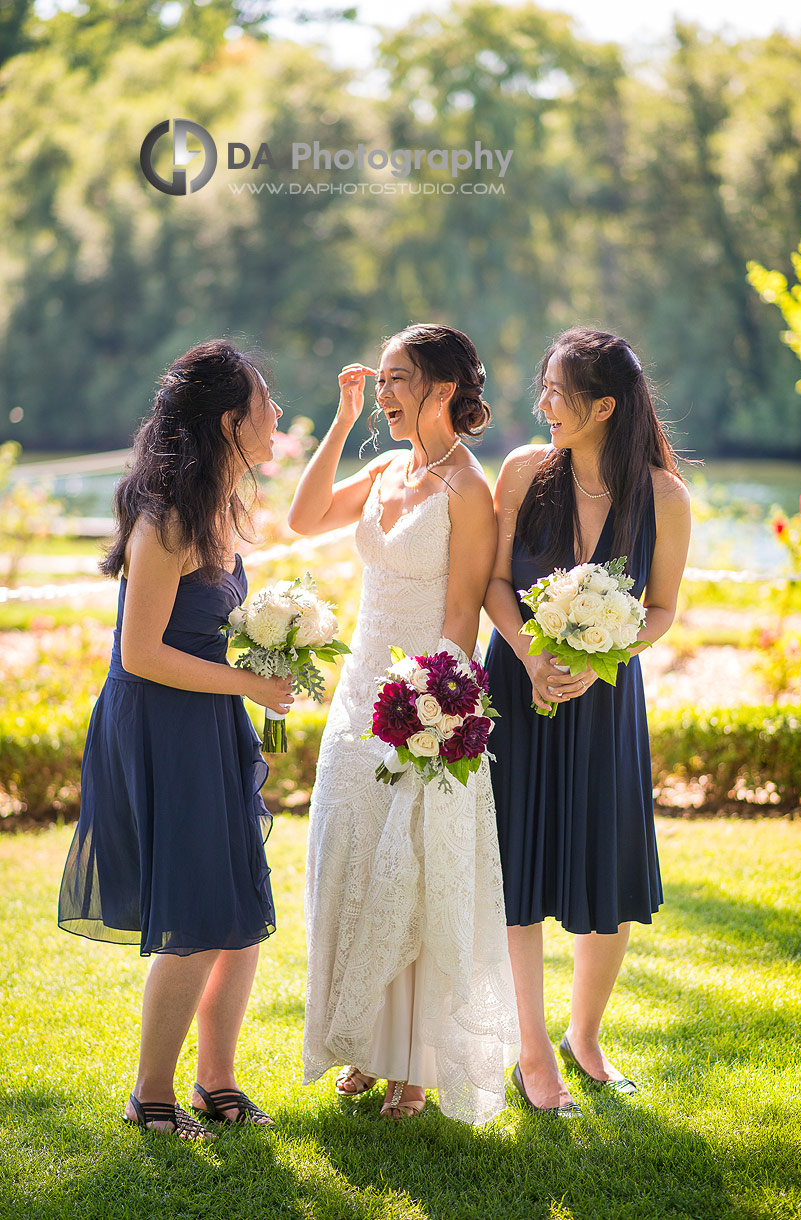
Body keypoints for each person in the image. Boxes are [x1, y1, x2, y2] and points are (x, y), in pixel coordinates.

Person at [58, 340, 293, 1139]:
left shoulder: (223, 511)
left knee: (238, 908)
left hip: (207, 721)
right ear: (232, 422)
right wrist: (251, 685)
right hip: (162, 725)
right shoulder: (164, 519)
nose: (277, 419)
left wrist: (271, 660)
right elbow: (140, 653)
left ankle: (216, 1085)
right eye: (267, 406)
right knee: (195, 915)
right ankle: (149, 1093)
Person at [288, 324, 519, 1125]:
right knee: (353, 863)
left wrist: (434, 719)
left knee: (414, 874)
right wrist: (344, 420)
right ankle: (366, 1044)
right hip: (357, 700)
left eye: (394, 379)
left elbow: (462, 614)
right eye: (380, 379)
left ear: (443, 390)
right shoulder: (387, 466)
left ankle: (414, 1066)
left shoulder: (469, 491)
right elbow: (303, 516)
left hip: (424, 706)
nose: (382, 391)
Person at [483, 327, 691, 1115]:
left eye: (557, 394)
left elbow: (664, 609)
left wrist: (603, 644)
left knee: (606, 865)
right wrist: (534, 658)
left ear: (603, 407)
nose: (541, 406)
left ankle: (585, 1037)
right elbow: (495, 585)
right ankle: (533, 1053)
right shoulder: (520, 473)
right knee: (519, 872)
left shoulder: (664, 498)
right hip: (518, 688)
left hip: (606, 703)